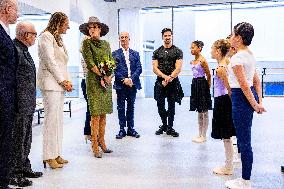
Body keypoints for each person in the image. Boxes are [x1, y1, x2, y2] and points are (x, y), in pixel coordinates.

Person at [225, 22, 266, 189]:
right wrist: (259, 101)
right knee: (243, 139)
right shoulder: (250, 54)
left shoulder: (237, 58)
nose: (231, 37)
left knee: (244, 140)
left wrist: (255, 104)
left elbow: (243, 85)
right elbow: (255, 81)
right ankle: (244, 179)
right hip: (245, 97)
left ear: (239, 38)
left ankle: (245, 181)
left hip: (241, 98)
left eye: (233, 35)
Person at [37, 12, 73, 169]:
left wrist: (67, 81)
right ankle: (48, 156)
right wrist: (63, 80)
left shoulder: (59, 39)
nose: (68, 26)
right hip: (50, 83)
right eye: (66, 23)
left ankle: (56, 153)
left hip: (59, 84)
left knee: (58, 120)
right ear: (58, 23)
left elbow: (63, 63)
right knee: (51, 121)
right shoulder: (46, 36)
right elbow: (50, 62)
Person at [10, 21, 43, 188]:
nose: (36, 37)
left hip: (27, 103)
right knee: (18, 139)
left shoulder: (25, 51)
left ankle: (24, 167)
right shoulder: (14, 50)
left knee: (26, 138)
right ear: (25, 35)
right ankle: (15, 174)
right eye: (34, 34)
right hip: (19, 104)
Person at [80, 16, 114, 158]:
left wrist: (108, 75)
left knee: (103, 113)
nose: (92, 29)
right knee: (94, 115)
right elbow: (90, 62)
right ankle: (94, 146)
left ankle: (103, 142)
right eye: (90, 27)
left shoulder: (106, 44)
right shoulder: (86, 44)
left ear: (100, 29)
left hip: (105, 82)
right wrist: (102, 75)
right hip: (94, 82)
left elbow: (110, 60)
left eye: (94, 27)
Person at [0, 0, 19, 188]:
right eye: (16, 10)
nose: (18, 15)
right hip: (3, 95)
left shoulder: (5, 32)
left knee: (7, 140)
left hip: (8, 96)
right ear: (7, 9)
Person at [152, 28, 184, 137]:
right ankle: (164, 125)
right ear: (162, 37)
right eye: (165, 35)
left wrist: (169, 78)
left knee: (171, 105)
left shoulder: (177, 51)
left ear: (172, 36)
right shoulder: (157, 51)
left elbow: (178, 68)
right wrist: (164, 77)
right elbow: (155, 68)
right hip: (160, 81)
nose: (167, 37)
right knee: (160, 105)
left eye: (169, 35)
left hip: (173, 81)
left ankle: (170, 127)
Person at [210, 39, 235, 175]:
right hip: (223, 100)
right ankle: (229, 164)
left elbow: (230, 89)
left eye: (212, 48)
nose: (211, 51)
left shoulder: (221, 68)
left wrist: (234, 104)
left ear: (218, 51)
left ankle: (228, 166)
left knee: (226, 136)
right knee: (227, 136)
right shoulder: (227, 63)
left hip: (223, 101)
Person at [113, 32, 142, 139]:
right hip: (121, 85)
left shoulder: (136, 54)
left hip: (132, 85)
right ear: (119, 40)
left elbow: (139, 69)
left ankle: (130, 129)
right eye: (122, 38)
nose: (124, 39)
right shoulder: (114, 54)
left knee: (131, 107)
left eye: (126, 37)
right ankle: (122, 130)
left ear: (129, 39)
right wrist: (123, 79)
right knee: (121, 108)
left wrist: (130, 79)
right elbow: (114, 70)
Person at [189, 40, 212, 143]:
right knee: (199, 110)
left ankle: (204, 135)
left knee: (204, 111)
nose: (191, 49)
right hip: (195, 84)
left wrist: (207, 88)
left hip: (202, 84)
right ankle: (199, 133)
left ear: (199, 48)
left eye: (193, 47)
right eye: (191, 47)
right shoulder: (192, 61)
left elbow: (209, 75)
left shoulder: (203, 60)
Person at [80, 35, 92, 143]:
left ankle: (89, 132)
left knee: (91, 108)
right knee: (91, 108)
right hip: (88, 82)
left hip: (88, 82)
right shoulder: (85, 54)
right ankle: (88, 132)